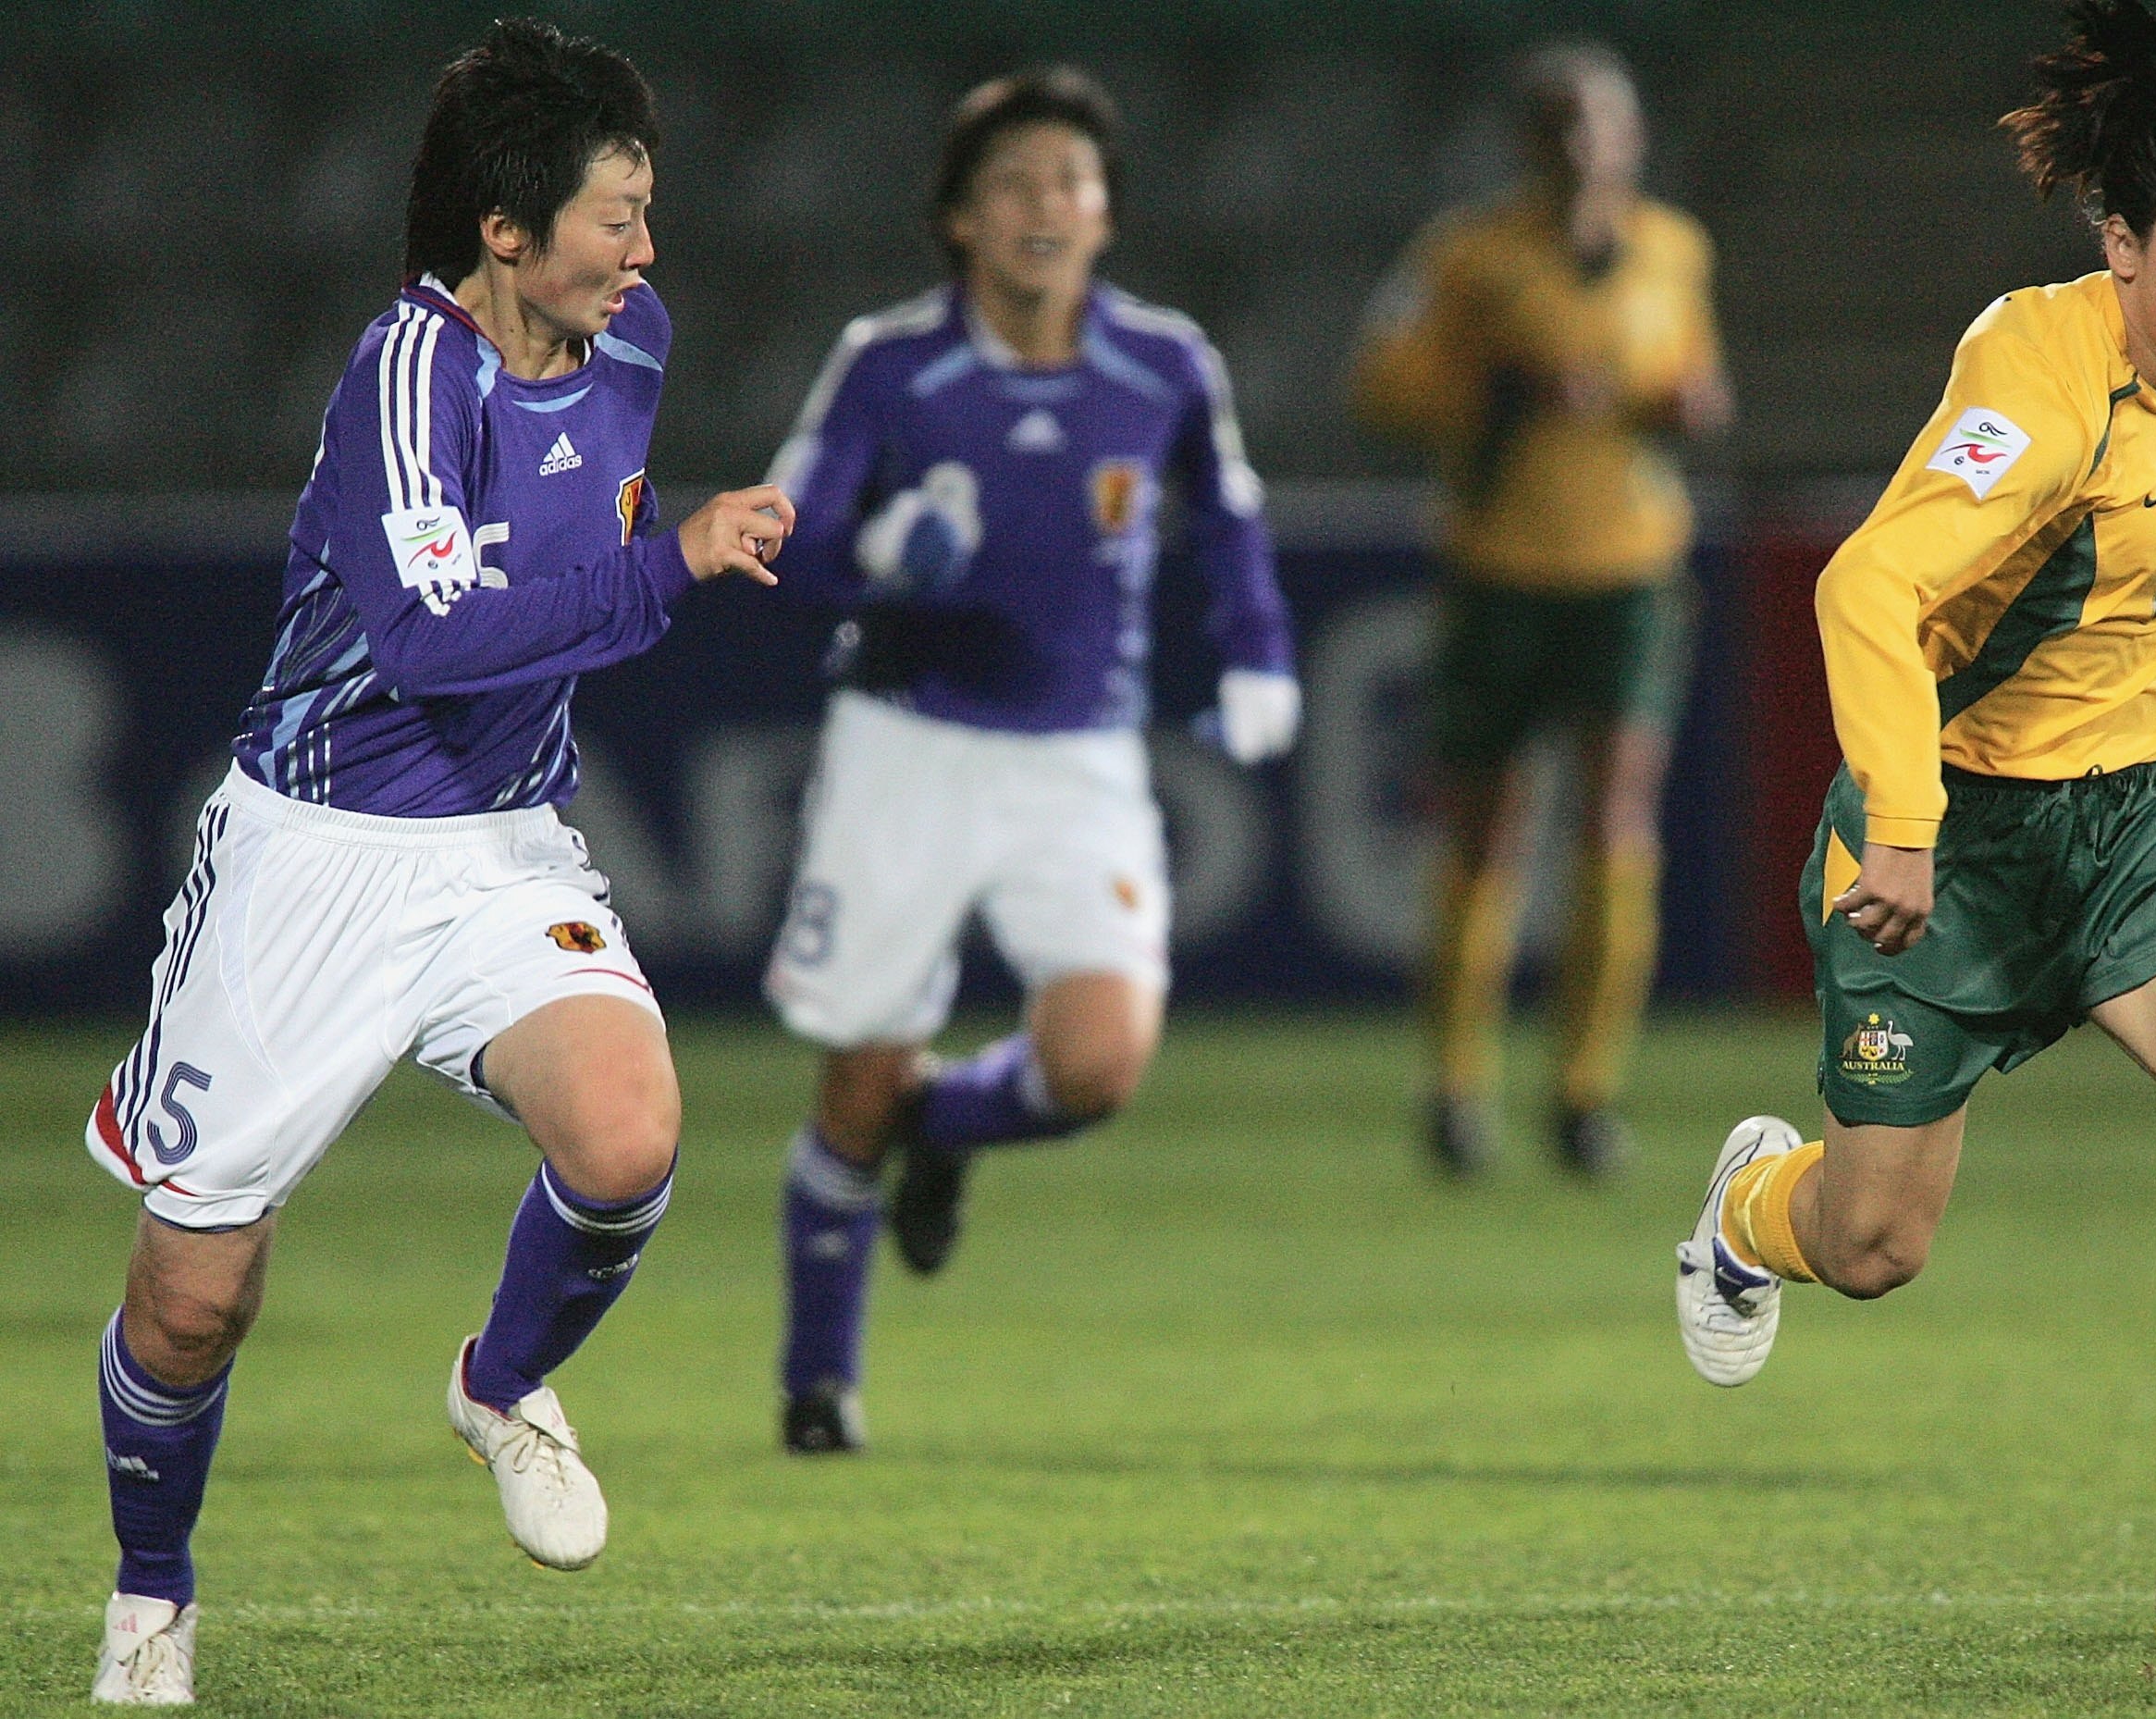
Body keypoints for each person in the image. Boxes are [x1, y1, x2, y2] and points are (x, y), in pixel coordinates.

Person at [74, 19, 794, 1704]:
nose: (646, 248)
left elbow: (564, 559)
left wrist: (658, 549)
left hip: (494, 845)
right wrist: (676, 563)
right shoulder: (407, 375)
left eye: (647, 207)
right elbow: (429, 636)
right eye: (615, 214)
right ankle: (150, 1601)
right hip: (311, 859)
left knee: (625, 1133)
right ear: (505, 228)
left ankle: (498, 1377)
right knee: (191, 1304)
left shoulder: (633, 346)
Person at [1673, 0, 2156, 1675]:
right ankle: (1754, 1204)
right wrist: (1898, 825)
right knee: (1876, 1247)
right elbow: (1868, 585)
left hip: (2139, 825)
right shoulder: (2035, 382)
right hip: (1953, 852)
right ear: (2123, 244)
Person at [760, 67, 1296, 1455]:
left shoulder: (1164, 365)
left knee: (1102, 1061)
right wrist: (875, 559)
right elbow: (795, 539)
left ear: (1106, 212)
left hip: (1080, 753)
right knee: (854, 1082)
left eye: (1070, 180)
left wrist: (1259, 651)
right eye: (1013, 185)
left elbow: (1228, 521)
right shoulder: (890, 364)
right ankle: (819, 1382)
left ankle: (952, 1122)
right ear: (959, 222)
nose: (1044, 206)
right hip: (907, 743)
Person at [1350, 41, 1731, 1180]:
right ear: (1527, 146)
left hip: (1629, 568)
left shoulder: (1673, 250)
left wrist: (1683, 404)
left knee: (1617, 819)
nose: (1584, 147)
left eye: (1600, 124)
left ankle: (1583, 1092)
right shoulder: (1466, 258)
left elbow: (1695, 381)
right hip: (1500, 568)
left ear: (1632, 138)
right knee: (1486, 826)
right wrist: (1498, 385)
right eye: (1560, 126)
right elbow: (1379, 383)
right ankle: (1456, 1086)